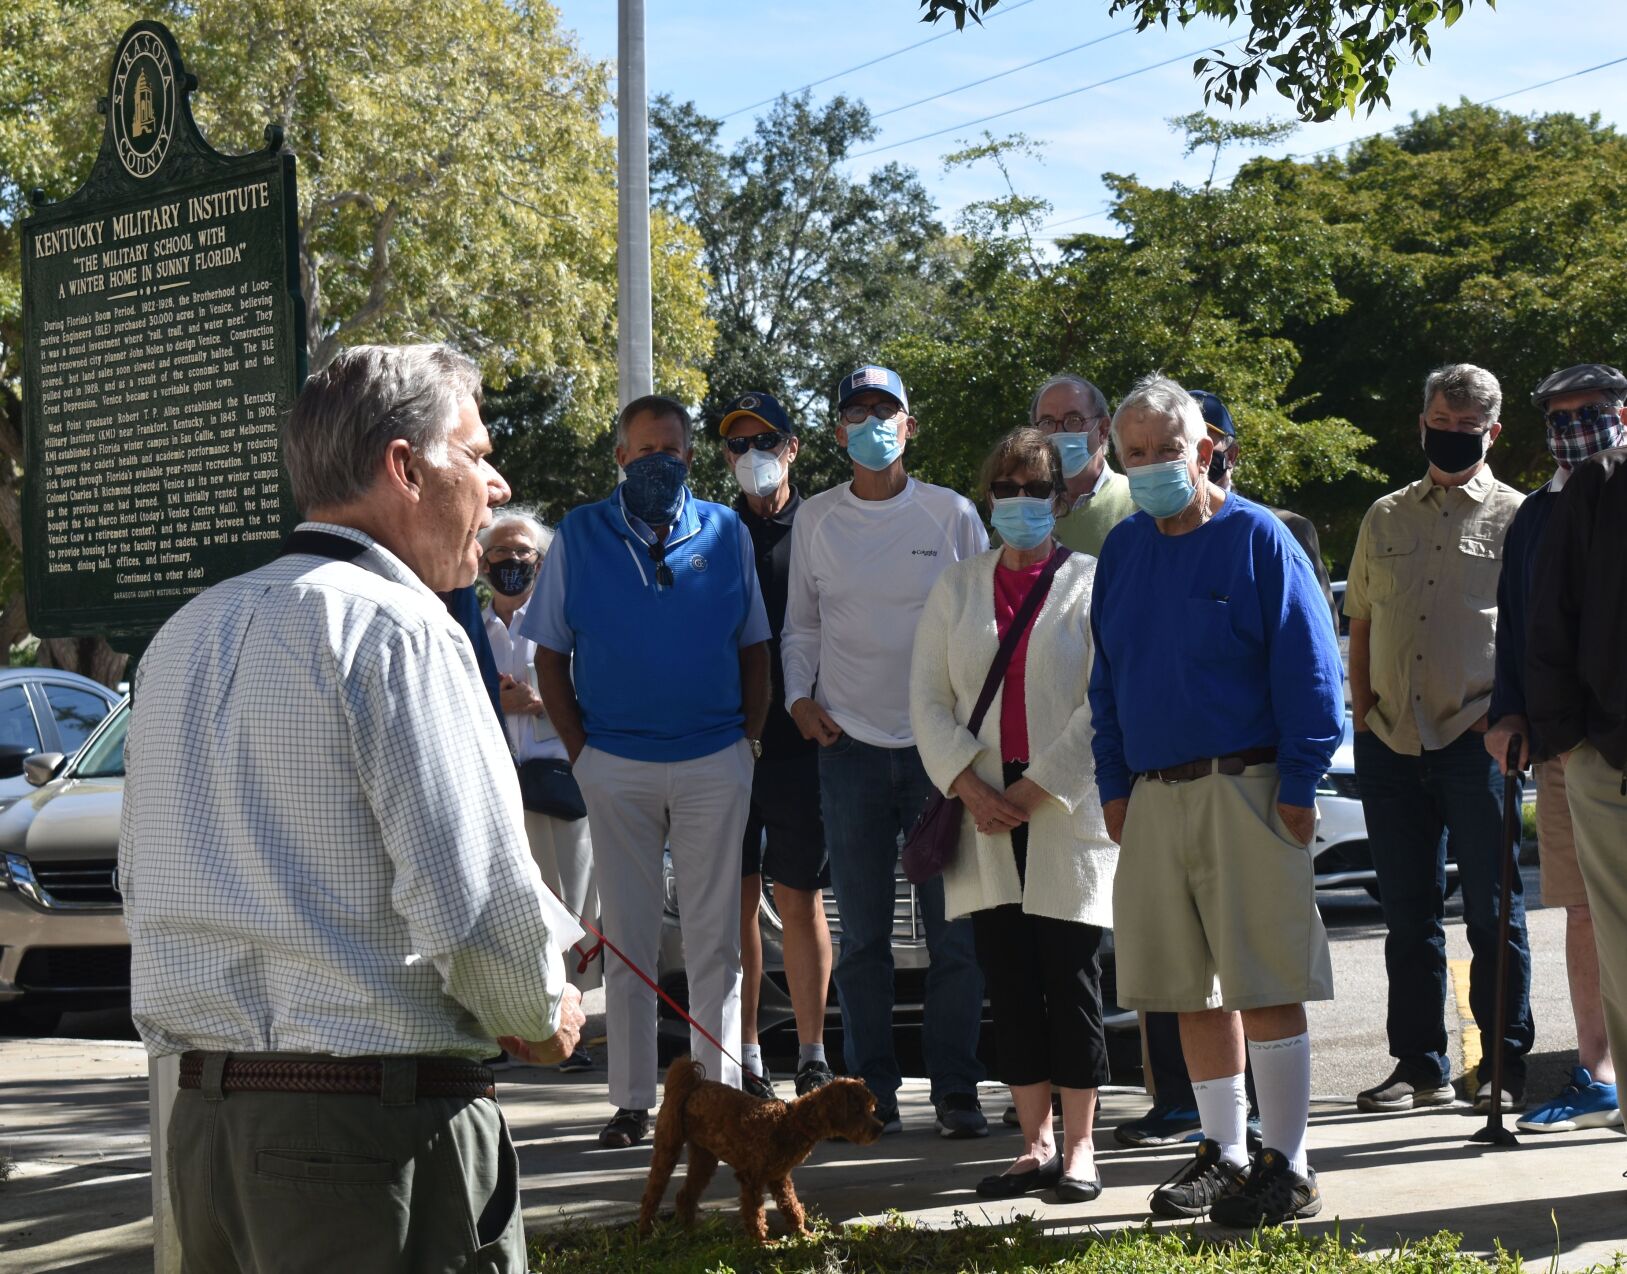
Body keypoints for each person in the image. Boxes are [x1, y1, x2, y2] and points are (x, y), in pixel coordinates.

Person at [119, 343, 586, 1273]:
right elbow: (474, 906)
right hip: (373, 1141)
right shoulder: (401, 630)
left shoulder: (181, 634)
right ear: (405, 468)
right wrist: (540, 1011)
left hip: (204, 1135)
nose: (496, 486)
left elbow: (147, 884)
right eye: (479, 453)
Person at [1090, 373, 1342, 1227]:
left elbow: (1311, 668)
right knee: (1188, 990)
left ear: (1205, 450)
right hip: (1156, 795)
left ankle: (1290, 1162)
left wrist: (1303, 782)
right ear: (1117, 461)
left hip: (1251, 785)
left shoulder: (1259, 538)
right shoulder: (1123, 549)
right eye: (1135, 454)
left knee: (1265, 979)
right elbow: (1107, 678)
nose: (1154, 465)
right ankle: (1225, 1151)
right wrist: (1114, 783)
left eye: (1168, 450)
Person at [523, 394, 771, 1149]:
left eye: (671, 449)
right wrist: (582, 752)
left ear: (689, 457)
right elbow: (550, 655)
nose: (657, 460)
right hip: (616, 763)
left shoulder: (727, 532)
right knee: (628, 937)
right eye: (643, 449)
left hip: (711, 757)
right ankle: (632, 1101)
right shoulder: (579, 533)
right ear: (621, 456)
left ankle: (718, 1093)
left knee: (713, 940)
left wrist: (747, 745)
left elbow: (754, 646)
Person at [781, 363, 990, 1137]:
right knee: (863, 940)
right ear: (837, 432)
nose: (872, 423)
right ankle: (872, 1099)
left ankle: (958, 1095)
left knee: (954, 940)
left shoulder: (952, 515)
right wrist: (799, 700)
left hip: (942, 759)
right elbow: (801, 625)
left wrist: (966, 738)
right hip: (848, 750)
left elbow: (982, 631)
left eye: (885, 410)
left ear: (910, 424)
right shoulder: (817, 521)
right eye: (857, 412)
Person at [911, 426, 1118, 1202]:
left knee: (1070, 983)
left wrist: (1028, 795)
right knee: (1007, 979)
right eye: (1009, 488)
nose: (1022, 502)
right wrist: (973, 791)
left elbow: (1103, 702)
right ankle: (1031, 1145)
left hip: (1061, 814)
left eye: (1038, 489)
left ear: (1061, 499)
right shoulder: (956, 586)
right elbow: (927, 701)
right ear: (987, 497)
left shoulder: (1092, 582)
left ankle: (1080, 1147)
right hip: (980, 821)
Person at [1344, 363, 1534, 1116]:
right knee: (1406, 915)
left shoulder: (1519, 517)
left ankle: (1501, 1065)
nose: (1450, 437)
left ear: (1491, 433)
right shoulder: (1383, 515)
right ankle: (1417, 1064)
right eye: (1439, 422)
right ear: (1419, 422)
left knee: (1493, 913)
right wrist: (1362, 714)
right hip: (1390, 741)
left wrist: (1508, 718)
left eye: (1467, 428)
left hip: (1477, 738)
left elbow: (1528, 630)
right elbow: (1358, 621)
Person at [1489, 364, 1626, 1134]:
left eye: (1592, 410)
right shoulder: (1537, 515)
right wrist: (1515, 717)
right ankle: (1595, 1067)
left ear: (1621, 413)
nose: (1577, 424)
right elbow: (1522, 624)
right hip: (1572, 745)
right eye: (1561, 415)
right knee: (1585, 912)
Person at [718, 390, 835, 1100]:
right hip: (726, 745)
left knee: (798, 897)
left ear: (793, 447)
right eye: (737, 444)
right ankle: (748, 1056)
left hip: (799, 744)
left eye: (765, 441)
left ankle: (814, 1051)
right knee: (733, 904)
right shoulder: (708, 531)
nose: (751, 456)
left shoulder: (822, 525)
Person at [1527, 439, 1627, 1154]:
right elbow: (1550, 615)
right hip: (1608, 758)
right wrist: (1572, 742)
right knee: (1620, 957)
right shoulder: (1601, 481)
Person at [480, 506, 602, 1072]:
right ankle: (507, 1033)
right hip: (495, 788)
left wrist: (539, 705)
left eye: (521, 552)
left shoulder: (568, 621)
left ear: (543, 560)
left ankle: (565, 1030)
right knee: (504, 913)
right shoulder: (469, 629)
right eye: (498, 552)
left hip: (558, 782)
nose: (510, 562)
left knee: (565, 911)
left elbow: (594, 702)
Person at [1191, 388, 1338, 634]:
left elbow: (1318, 638)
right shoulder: (1142, 533)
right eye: (1182, 442)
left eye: (1205, 441)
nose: (1198, 455)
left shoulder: (1286, 529)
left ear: (1232, 454)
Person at [1029, 374, 1135, 557]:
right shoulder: (1023, 504)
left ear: (1103, 429)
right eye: (1047, 423)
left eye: (1073, 420)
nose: (1059, 432)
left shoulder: (1137, 499)